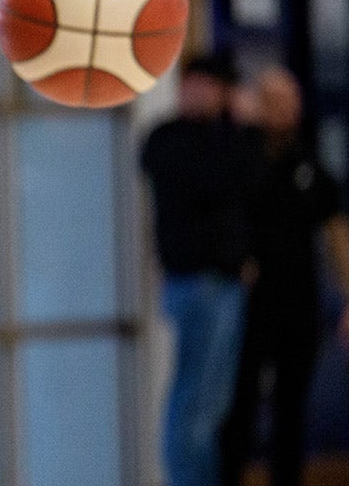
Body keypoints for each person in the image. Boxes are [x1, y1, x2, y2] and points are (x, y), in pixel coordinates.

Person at [220, 66, 349, 486]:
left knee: (292, 404)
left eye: (291, 101)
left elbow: (335, 230)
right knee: (239, 401)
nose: (285, 109)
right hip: (246, 301)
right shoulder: (239, 157)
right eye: (274, 101)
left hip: (299, 299)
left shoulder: (307, 161)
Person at [140, 53, 265, 486]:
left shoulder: (225, 138)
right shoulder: (168, 139)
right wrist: (243, 129)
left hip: (225, 283)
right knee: (195, 400)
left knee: (214, 401)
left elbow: (251, 184)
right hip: (195, 282)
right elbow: (216, 181)